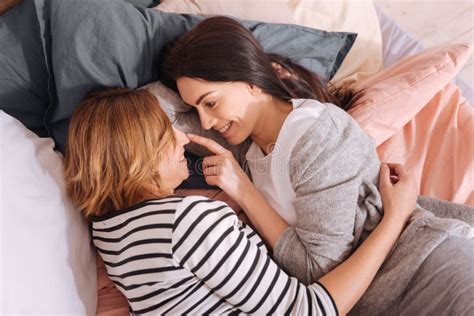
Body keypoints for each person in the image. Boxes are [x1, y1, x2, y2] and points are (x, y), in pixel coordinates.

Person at [160, 16, 474, 315]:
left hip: (428, 268)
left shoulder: (316, 136)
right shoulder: (250, 149)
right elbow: (158, 113)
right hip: (382, 301)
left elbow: (320, 270)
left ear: (250, 81)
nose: (205, 121)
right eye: (195, 108)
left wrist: (244, 191)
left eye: (211, 103)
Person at [64, 87, 418, 315]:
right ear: (135, 155)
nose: (182, 138)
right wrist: (395, 218)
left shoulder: (109, 232)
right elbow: (311, 311)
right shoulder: (188, 222)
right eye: (163, 132)